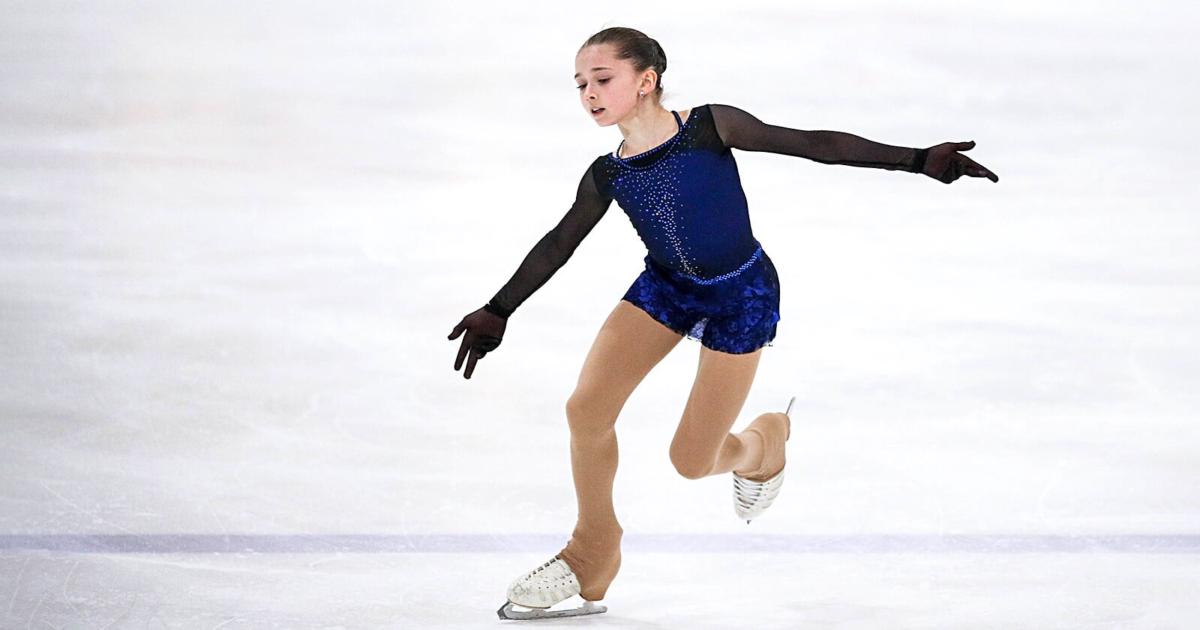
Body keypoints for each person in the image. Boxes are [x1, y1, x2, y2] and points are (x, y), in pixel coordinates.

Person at [447, 26, 999, 621]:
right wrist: (499, 308)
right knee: (586, 409)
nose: (589, 93)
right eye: (581, 84)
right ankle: (592, 552)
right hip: (667, 290)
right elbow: (561, 242)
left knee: (691, 461)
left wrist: (916, 159)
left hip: (741, 296)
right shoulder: (608, 174)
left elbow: (812, 144)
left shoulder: (711, 127)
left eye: (602, 79)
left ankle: (764, 444)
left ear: (646, 80)